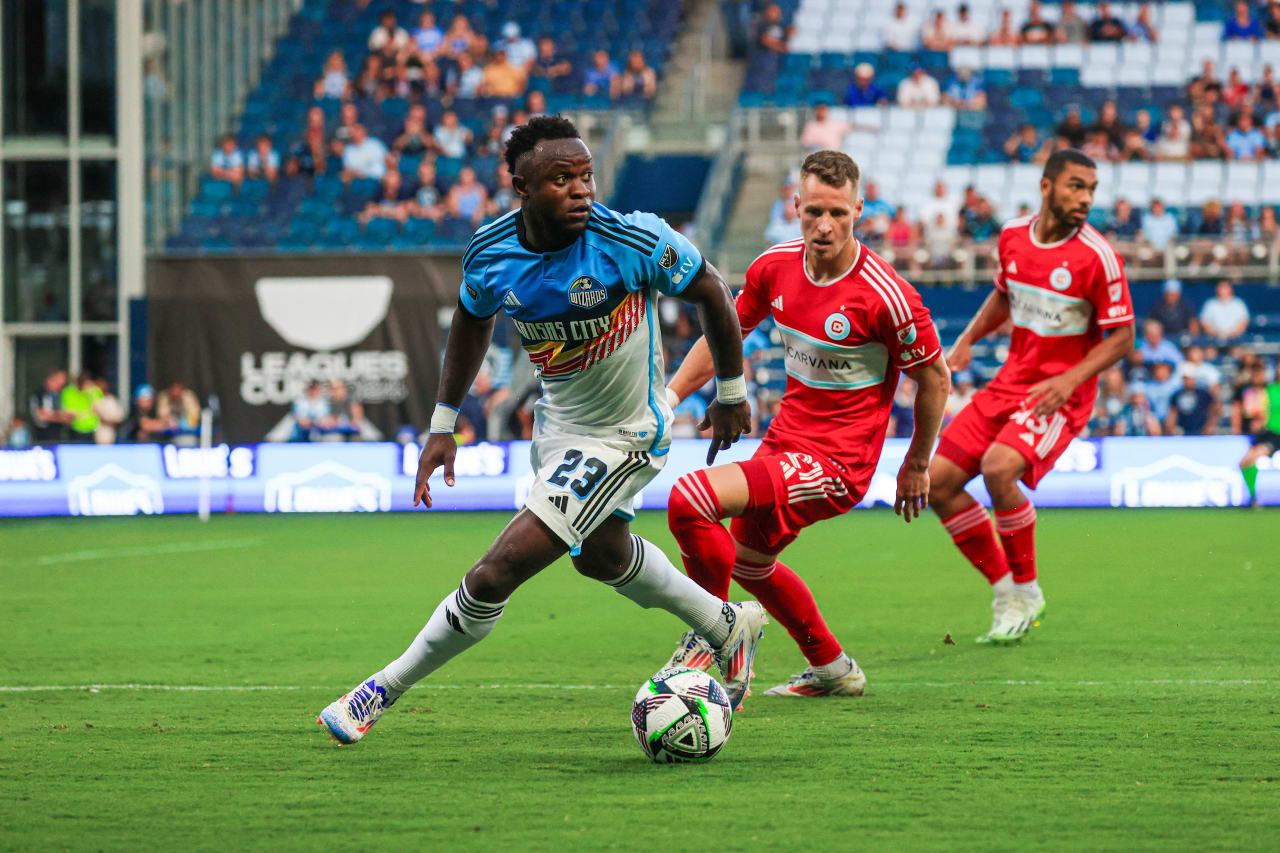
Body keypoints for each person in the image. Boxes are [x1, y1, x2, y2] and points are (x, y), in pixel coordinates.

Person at [317, 115, 767, 745]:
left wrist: (730, 390)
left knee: (495, 571)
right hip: (558, 429)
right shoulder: (492, 250)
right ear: (522, 189)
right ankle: (724, 624)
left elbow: (713, 291)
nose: (581, 189)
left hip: (627, 433)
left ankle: (377, 691)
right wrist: (443, 424)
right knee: (602, 557)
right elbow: (472, 321)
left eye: (586, 175)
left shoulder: (631, 240)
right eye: (561, 179)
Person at [661, 150, 949, 697]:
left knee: (689, 500)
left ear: (860, 210)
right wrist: (670, 398)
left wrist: (916, 464)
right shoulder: (775, 267)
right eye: (815, 210)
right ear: (796, 205)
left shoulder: (887, 295)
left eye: (839, 213)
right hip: (785, 443)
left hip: (838, 463)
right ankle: (834, 669)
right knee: (749, 562)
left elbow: (936, 378)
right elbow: (726, 333)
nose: (825, 225)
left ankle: (706, 641)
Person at [928, 149, 1136, 644]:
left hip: (1058, 395)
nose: (1085, 198)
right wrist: (968, 341)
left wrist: (1069, 381)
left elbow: (1123, 336)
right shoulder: (1012, 236)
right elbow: (1004, 294)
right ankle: (1006, 592)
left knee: (1000, 469)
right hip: (1010, 381)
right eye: (1075, 186)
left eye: (1091, 189)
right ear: (1047, 187)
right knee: (938, 483)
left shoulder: (1098, 257)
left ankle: (1027, 588)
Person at [1235, 360, 1279, 507]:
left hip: (1276, 435)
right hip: (1269, 433)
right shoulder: (1268, 390)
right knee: (1245, 463)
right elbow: (1255, 410)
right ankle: (1254, 497)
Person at [30, 368, 73, 443]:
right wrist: (59, 416)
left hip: (58, 436)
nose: (62, 384)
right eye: (60, 380)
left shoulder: (59, 394)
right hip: (43, 437)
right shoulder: (41, 393)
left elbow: (68, 418)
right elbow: (42, 416)